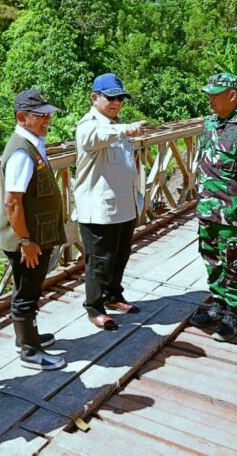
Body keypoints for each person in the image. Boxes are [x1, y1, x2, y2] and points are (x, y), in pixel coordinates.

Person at [189, 73, 237, 342]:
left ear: (232, 95)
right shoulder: (210, 123)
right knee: (211, 258)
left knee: (234, 263)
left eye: (215, 94)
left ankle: (233, 312)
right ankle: (218, 304)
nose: (209, 99)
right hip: (207, 207)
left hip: (232, 211)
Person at [0, 89, 67, 370]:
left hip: (35, 235)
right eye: (40, 115)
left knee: (30, 289)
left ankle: (28, 337)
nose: (47, 120)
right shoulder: (21, 153)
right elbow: (12, 202)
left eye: (47, 114)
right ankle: (29, 351)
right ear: (21, 117)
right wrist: (25, 241)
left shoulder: (32, 142)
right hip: (28, 239)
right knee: (26, 293)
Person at [74, 73, 145, 330]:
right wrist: (124, 129)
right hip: (99, 210)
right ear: (95, 98)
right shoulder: (89, 125)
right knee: (100, 261)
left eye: (120, 98)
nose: (116, 103)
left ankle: (113, 296)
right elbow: (95, 138)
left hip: (125, 206)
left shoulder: (116, 125)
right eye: (111, 97)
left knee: (120, 256)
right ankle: (94, 306)